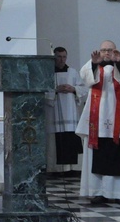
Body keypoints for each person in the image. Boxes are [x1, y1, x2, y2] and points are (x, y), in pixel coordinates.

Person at [75, 40, 120, 206]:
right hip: (97, 121)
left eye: (110, 50)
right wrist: (94, 65)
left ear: (116, 51)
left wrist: (119, 62)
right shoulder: (91, 65)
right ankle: (98, 192)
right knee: (97, 155)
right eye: (103, 50)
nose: (106, 53)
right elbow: (87, 79)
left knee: (118, 156)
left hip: (119, 121)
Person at [45, 46, 86, 175]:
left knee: (70, 139)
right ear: (54, 57)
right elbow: (42, 91)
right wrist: (55, 90)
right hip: (54, 113)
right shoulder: (48, 73)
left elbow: (83, 89)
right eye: (59, 57)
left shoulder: (73, 72)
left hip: (70, 112)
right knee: (55, 141)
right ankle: (55, 169)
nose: (62, 60)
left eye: (64, 57)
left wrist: (73, 89)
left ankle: (72, 169)